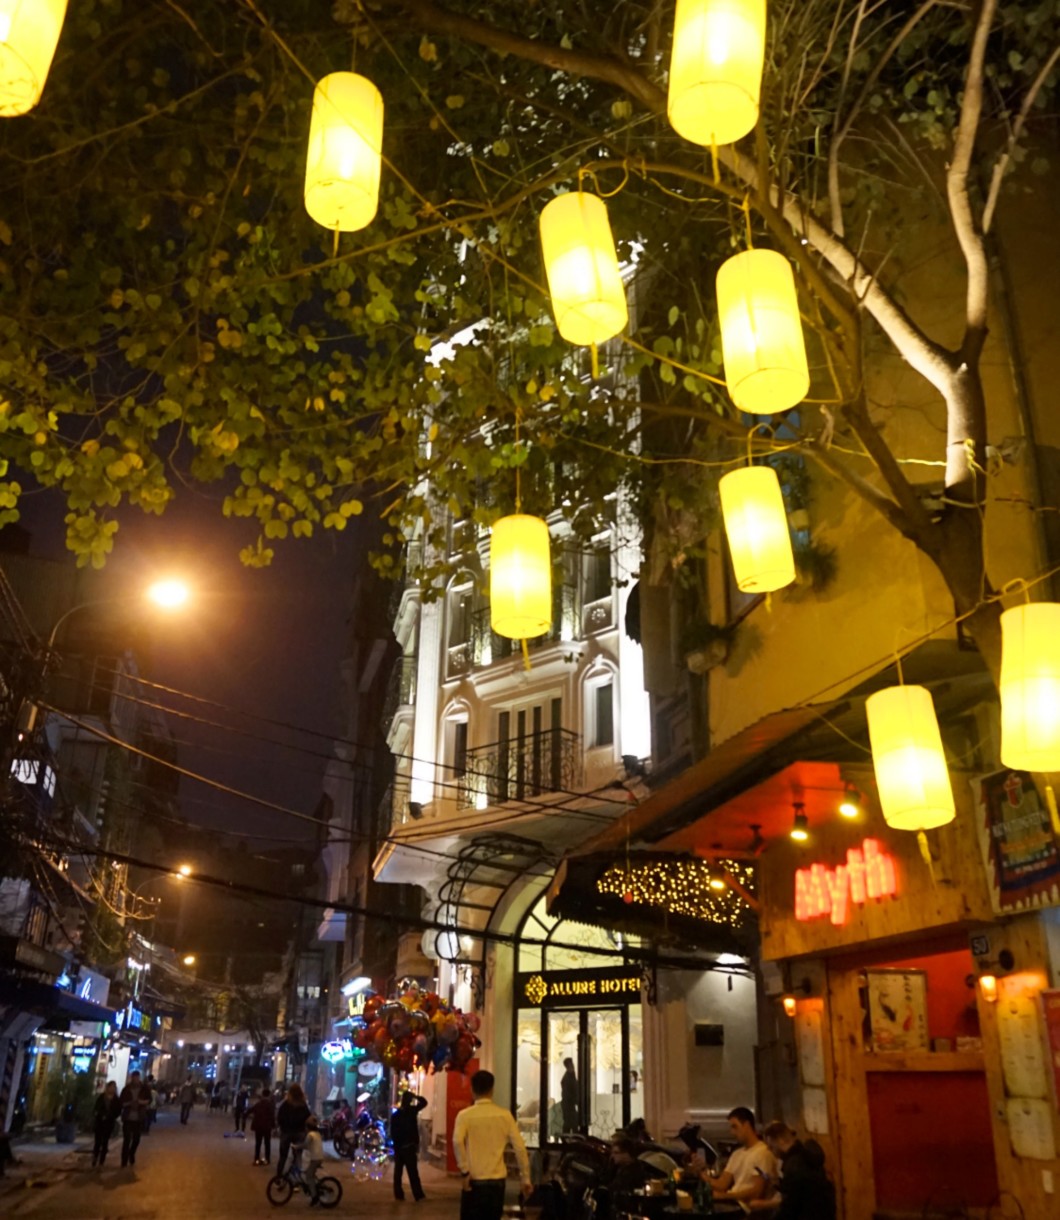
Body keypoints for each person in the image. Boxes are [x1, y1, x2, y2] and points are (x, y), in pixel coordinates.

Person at [452, 1069, 533, 1220]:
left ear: (472, 1089)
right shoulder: (505, 1115)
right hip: (497, 1181)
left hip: (474, 1180)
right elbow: (520, 1147)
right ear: (492, 1090)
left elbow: (457, 1141)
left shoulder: (464, 1116)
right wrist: (525, 1178)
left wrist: (464, 1170)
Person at [759, 1122, 836, 1220]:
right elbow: (802, 1190)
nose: (771, 1151)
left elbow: (789, 1207)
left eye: (771, 1147)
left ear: (780, 1140)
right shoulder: (806, 1156)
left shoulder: (793, 1166)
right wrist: (779, 1183)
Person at [706, 1107, 777, 1206]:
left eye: (735, 1127)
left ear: (746, 1125)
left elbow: (756, 1192)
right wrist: (701, 1173)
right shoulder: (737, 1154)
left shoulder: (763, 1153)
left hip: (744, 1207)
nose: (732, 1132)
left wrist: (725, 1196)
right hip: (732, 1202)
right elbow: (722, 1184)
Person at [391, 1089, 428, 1202]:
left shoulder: (396, 1115)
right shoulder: (411, 1111)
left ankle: (399, 1195)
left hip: (400, 1148)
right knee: (412, 1173)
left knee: (398, 1173)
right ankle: (418, 1194)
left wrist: (396, 1147)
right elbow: (424, 1103)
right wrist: (416, 1096)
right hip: (409, 1147)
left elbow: (393, 1132)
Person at [276, 1083, 311, 1176]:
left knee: (283, 1156)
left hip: (286, 1132)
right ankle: (295, 1177)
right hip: (299, 1132)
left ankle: (279, 1177)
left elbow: (279, 1117)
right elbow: (308, 1117)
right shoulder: (303, 1105)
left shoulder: (285, 1104)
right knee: (297, 1156)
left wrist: (281, 1127)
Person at [119, 1071, 152, 1167]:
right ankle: (124, 1161)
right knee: (127, 1140)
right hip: (128, 1117)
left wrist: (141, 1102)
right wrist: (130, 1103)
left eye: (137, 1078)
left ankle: (131, 1153)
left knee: (136, 1139)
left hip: (139, 1117)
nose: (135, 1079)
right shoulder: (126, 1089)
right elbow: (122, 1102)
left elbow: (149, 1100)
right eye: (134, 1078)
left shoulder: (144, 1089)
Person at [91, 1082, 122, 1168]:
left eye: (113, 1087)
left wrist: (110, 1116)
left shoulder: (116, 1100)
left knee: (105, 1142)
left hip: (109, 1123)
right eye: (111, 1087)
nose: (112, 1089)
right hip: (100, 1122)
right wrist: (100, 1115)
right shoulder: (102, 1097)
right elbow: (96, 1108)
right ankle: (95, 1157)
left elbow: (118, 1111)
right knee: (97, 1141)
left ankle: (102, 1160)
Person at [250, 1088, 276, 1166]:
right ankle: (267, 1159)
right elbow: (272, 1115)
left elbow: (251, 1110)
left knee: (258, 1143)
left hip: (258, 1126)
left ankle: (256, 1159)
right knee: (267, 1143)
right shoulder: (270, 1104)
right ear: (269, 1095)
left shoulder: (258, 1104)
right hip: (267, 1127)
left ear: (262, 1095)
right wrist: (273, 1125)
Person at [303, 1115, 325, 1206]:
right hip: (319, 1157)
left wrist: (296, 1147)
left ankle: (314, 1197)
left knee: (309, 1176)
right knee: (309, 1173)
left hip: (315, 1159)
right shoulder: (317, 1134)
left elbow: (305, 1145)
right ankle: (314, 1187)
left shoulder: (310, 1135)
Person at [560, 1058, 579, 1133]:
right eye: (571, 1065)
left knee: (570, 1123)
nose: (573, 1066)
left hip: (569, 1104)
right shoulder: (567, 1078)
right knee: (571, 1123)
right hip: (568, 1104)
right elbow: (568, 1093)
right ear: (568, 1066)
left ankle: (567, 1137)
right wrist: (575, 1101)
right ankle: (567, 1138)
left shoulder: (570, 1075)